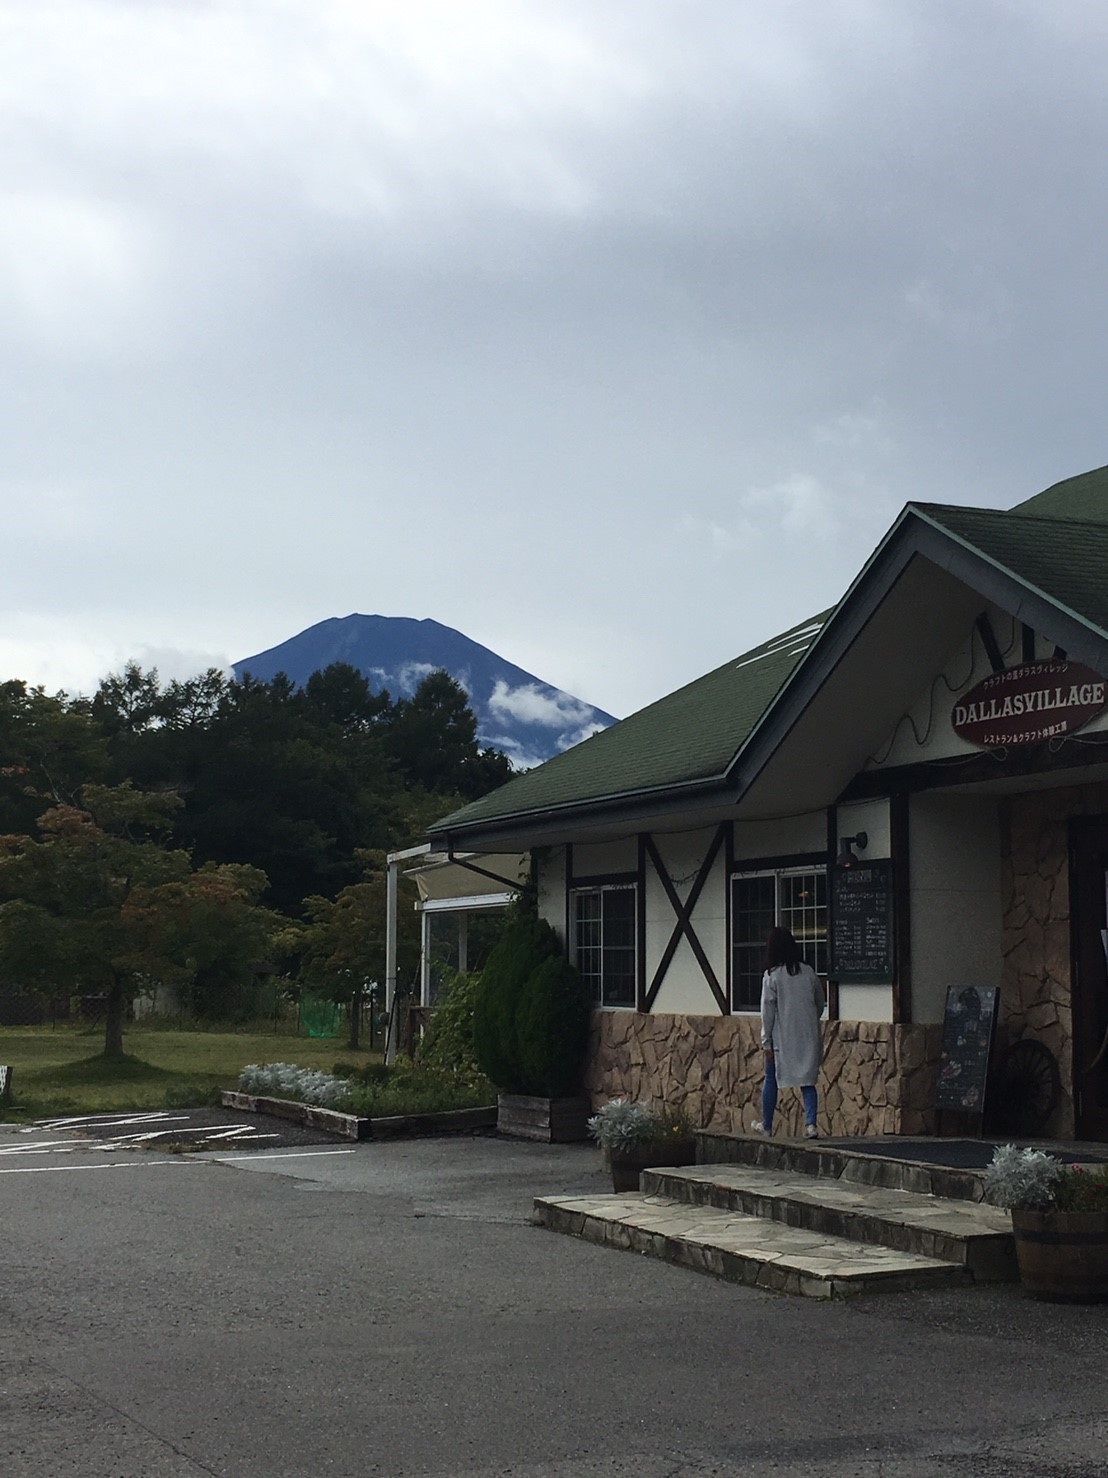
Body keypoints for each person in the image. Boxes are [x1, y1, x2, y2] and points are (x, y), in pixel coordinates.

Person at [749, 925, 826, 1139]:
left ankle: (767, 1124)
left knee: (771, 1077)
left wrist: (766, 1041)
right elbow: (820, 1003)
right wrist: (810, 1020)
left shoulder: (772, 976)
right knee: (807, 1080)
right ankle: (811, 1124)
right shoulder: (808, 972)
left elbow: (768, 1012)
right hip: (808, 1035)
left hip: (782, 1038)